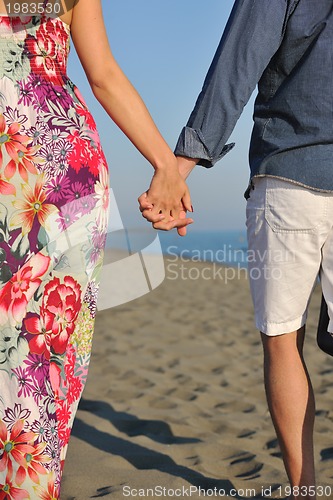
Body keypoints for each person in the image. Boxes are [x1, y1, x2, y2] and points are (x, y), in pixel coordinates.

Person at [140, 0, 333, 498]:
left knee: (283, 339)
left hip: (291, 173)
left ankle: (303, 489)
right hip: (293, 175)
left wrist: (175, 171)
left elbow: (237, 64)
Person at [0, 0, 193, 497]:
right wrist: (165, 166)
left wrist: (169, 167)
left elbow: (102, 71)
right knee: (41, 359)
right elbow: (102, 74)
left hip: (41, 173)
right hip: (64, 168)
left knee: (35, 353)